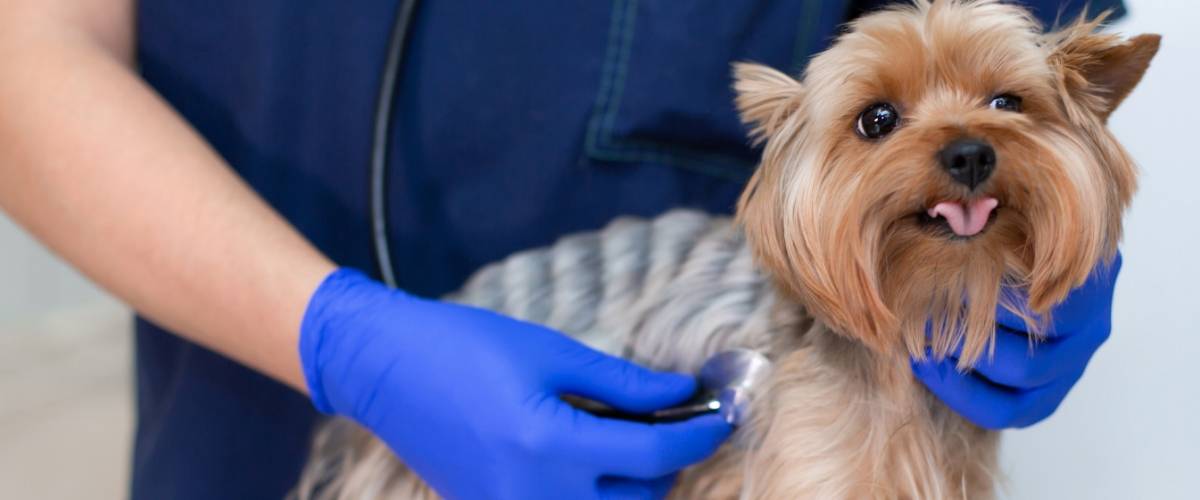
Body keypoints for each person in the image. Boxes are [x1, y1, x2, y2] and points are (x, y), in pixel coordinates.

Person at [0, 0, 1126, 498]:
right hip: (239, 425)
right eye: (879, 121)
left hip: (805, 366)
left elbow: (1022, 55)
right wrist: (333, 334)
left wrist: (1065, 217)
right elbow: (26, 52)